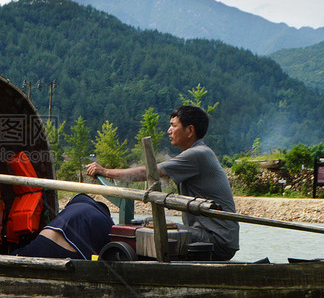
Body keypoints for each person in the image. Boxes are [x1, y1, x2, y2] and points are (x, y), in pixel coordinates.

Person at [87, 105, 239, 261]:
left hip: (217, 239)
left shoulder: (198, 154)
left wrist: (105, 172)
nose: (169, 130)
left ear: (190, 130)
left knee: (147, 230)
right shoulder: (197, 154)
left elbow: (147, 173)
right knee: (146, 223)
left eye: (173, 125)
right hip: (209, 235)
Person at [14, 194, 113, 260]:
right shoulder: (108, 224)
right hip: (68, 254)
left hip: (43, 240)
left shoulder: (78, 204)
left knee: (15, 257)